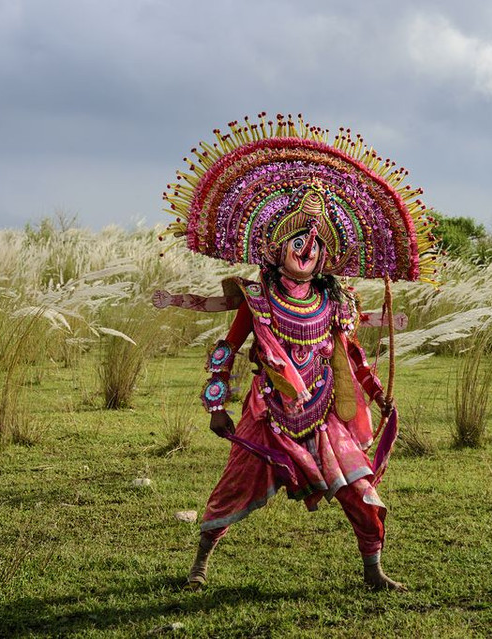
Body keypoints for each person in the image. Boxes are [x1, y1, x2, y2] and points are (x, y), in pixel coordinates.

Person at [154, 187, 405, 591]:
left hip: (324, 413)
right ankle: (200, 563)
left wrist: (378, 395)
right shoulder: (258, 298)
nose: (307, 249)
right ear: (277, 248)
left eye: (316, 244)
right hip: (269, 413)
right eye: (299, 240)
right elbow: (226, 351)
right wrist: (217, 408)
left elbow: (352, 356)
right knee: (234, 486)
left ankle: (373, 571)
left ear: (325, 255)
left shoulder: (334, 300)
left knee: (360, 490)